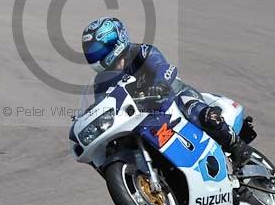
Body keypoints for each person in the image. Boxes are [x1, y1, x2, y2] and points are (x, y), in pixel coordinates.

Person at [81, 17, 252, 169]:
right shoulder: (101, 81)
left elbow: (164, 68)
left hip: (172, 97)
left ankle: (237, 146)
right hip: (142, 118)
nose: (97, 55)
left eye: (99, 49)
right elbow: (103, 106)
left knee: (194, 109)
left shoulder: (141, 52)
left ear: (117, 40)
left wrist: (158, 86)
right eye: (92, 52)